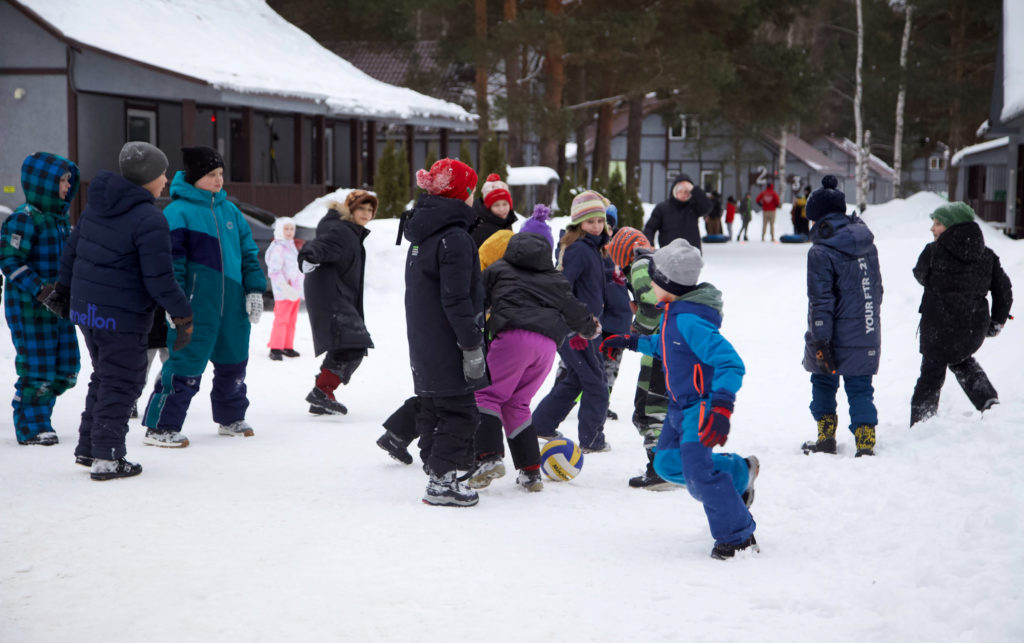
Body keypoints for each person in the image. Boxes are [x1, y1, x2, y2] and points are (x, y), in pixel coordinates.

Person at [600, 239, 759, 559]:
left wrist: (721, 408)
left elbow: (731, 363)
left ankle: (738, 536)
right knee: (667, 463)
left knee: (699, 475)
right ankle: (740, 472)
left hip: (700, 407)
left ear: (667, 283)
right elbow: (668, 347)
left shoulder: (690, 320)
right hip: (678, 404)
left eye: (652, 279)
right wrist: (630, 342)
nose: (646, 285)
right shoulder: (674, 312)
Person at [48, 142, 192, 479]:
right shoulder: (149, 218)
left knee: (105, 376)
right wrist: (183, 315)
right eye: (162, 173)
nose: (166, 179)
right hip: (121, 314)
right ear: (147, 178)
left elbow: (72, 251)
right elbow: (160, 278)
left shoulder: (97, 206)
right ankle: (108, 457)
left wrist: (63, 291)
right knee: (122, 382)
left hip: (87, 311)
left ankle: (89, 449)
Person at [141, 146, 267, 447]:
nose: (218, 180)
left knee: (234, 363)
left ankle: (231, 417)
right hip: (195, 307)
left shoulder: (230, 211)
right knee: (185, 364)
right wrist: (176, 303)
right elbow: (173, 264)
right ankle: (161, 426)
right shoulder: (177, 212)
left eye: (221, 174)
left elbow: (249, 252)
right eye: (211, 174)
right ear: (196, 177)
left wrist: (254, 289)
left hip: (233, 306)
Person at [465, 217, 600, 493]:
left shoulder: (500, 269)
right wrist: (589, 327)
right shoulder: (554, 278)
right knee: (517, 404)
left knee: (486, 395)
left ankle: (489, 457)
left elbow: (477, 298)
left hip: (512, 338)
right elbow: (573, 309)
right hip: (547, 347)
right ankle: (530, 471)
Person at [405, 158, 488, 507]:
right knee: (461, 412)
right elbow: (456, 299)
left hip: (425, 342)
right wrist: (471, 345)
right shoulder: (454, 238)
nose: (474, 198)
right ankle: (442, 481)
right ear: (461, 193)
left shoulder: (423, 234)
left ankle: (439, 468)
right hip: (449, 343)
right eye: (471, 190)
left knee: (434, 407)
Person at [0, 152, 81, 446]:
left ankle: (37, 409)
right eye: (61, 180)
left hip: (59, 306)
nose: (66, 186)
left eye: (68, 180)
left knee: (67, 368)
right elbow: (9, 261)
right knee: (38, 368)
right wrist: (42, 289)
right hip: (30, 309)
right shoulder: (24, 219)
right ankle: (32, 424)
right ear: (42, 183)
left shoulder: (60, 220)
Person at [799, 176, 882, 457]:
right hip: (867, 327)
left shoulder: (820, 251)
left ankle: (826, 438)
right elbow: (876, 289)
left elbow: (820, 300)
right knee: (860, 386)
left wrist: (820, 339)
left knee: (823, 379)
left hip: (831, 331)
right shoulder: (866, 243)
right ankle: (866, 441)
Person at [909, 202, 1012, 426]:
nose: (932, 229)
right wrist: (997, 321)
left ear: (952, 226)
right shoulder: (987, 255)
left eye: (937, 223)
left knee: (931, 374)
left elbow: (920, 275)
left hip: (938, 326)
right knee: (962, 361)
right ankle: (989, 402)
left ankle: (921, 423)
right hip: (972, 327)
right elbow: (1003, 290)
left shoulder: (933, 252)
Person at [532, 190, 611, 452]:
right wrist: (578, 322)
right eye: (591, 222)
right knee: (596, 383)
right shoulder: (578, 250)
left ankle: (541, 424)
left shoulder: (593, 248)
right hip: (578, 330)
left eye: (600, 221)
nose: (597, 226)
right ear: (579, 224)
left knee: (577, 379)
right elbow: (563, 288)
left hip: (585, 327)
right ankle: (592, 440)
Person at [605, 226, 672, 491]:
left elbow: (653, 306)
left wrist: (637, 327)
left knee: (648, 411)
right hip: (674, 345)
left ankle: (660, 470)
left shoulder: (641, 264)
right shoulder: (659, 263)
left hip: (660, 347)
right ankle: (672, 464)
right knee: (665, 408)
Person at [298, 191, 376, 415]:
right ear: (350, 210)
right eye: (361, 208)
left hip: (336, 293)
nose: (366, 214)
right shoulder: (342, 231)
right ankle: (322, 391)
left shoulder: (349, 231)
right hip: (330, 295)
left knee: (344, 344)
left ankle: (320, 395)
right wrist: (307, 257)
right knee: (354, 344)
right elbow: (318, 246)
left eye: (370, 210)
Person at [265, 217, 304, 361]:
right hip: (284, 291)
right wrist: (284, 286)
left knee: (292, 319)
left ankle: (287, 345)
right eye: (286, 229)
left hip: (295, 290)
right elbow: (274, 271)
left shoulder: (291, 245)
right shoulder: (278, 247)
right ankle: (275, 347)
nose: (289, 232)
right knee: (282, 319)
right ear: (280, 230)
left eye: (291, 229)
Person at [643, 173, 712, 251]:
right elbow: (650, 228)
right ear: (674, 191)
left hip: (691, 254)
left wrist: (693, 188)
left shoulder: (694, 207)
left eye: (686, 192)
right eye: (680, 191)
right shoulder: (662, 208)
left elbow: (707, 207)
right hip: (669, 254)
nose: (683, 194)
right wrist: (649, 244)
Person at [470, 173, 517, 247]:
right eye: (496, 205)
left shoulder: (505, 222)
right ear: (488, 207)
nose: (502, 209)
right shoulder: (480, 229)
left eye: (505, 204)